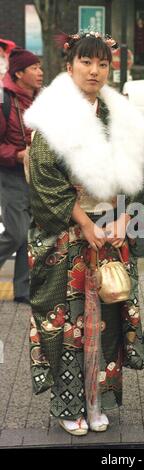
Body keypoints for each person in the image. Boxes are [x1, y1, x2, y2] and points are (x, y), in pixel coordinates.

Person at [24, 32, 144, 435]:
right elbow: (44, 178)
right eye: (86, 62)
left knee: (106, 320)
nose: (94, 71)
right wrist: (84, 222)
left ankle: (98, 400)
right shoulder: (53, 117)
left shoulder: (121, 117)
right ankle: (68, 405)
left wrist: (122, 217)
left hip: (110, 232)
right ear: (69, 66)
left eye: (102, 64)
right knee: (71, 324)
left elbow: (137, 178)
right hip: (69, 235)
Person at [0, 47, 43, 304]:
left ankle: (23, 290)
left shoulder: (42, 99)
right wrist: (16, 155)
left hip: (36, 174)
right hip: (11, 173)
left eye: (40, 67)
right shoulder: (4, 101)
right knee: (17, 232)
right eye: (34, 68)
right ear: (18, 74)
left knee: (30, 231)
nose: (40, 72)